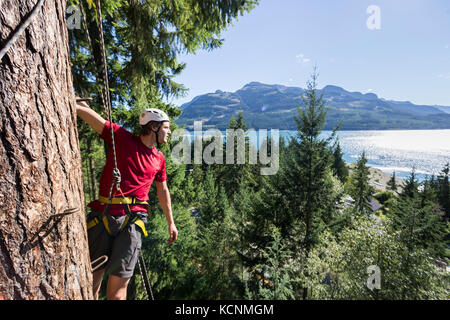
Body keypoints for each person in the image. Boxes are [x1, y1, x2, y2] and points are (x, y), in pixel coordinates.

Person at [76, 98, 178, 300]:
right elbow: (95, 120)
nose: (169, 132)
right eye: (166, 127)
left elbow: (162, 191)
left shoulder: (159, 158)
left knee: (117, 293)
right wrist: (75, 103)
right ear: (153, 127)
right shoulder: (121, 138)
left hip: (133, 222)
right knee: (90, 287)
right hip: (103, 216)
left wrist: (171, 223)